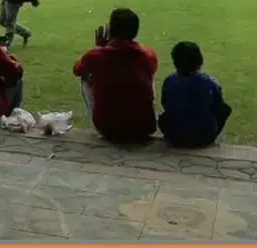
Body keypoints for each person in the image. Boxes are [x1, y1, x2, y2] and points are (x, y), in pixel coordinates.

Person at [73, 8, 158, 145]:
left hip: (109, 129)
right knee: (148, 75)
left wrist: (99, 48)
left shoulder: (96, 56)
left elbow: (77, 70)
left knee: (85, 76)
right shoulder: (148, 55)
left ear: (111, 29)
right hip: (144, 128)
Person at [158, 41, 232, 149]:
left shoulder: (169, 80)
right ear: (200, 61)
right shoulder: (210, 83)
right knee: (225, 109)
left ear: (175, 63)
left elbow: (165, 103)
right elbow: (219, 106)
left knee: (164, 117)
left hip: (174, 135)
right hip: (204, 136)